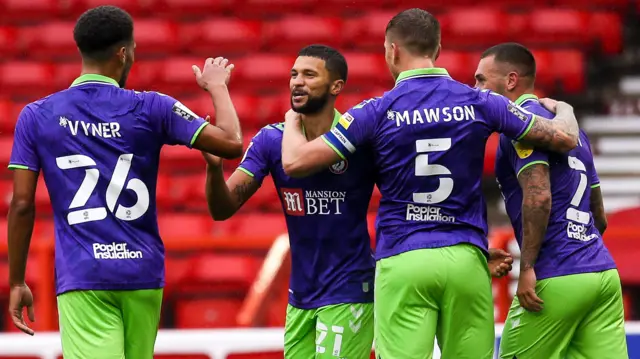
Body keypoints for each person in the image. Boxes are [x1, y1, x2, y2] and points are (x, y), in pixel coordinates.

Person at [279, 9, 581, 359]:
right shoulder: (480, 101)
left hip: (403, 260)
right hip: (466, 258)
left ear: (393, 50)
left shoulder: (374, 110)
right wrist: (563, 109)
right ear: (437, 49)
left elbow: (295, 163)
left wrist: (291, 119)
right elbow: (563, 137)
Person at [7, 5, 243, 359]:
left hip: (84, 274)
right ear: (123, 52)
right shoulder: (153, 107)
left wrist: (16, 280)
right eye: (132, 48)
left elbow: (23, 204)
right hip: (142, 271)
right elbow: (231, 142)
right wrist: (217, 86)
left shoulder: (37, 115)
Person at [202, 44, 377, 359]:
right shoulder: (271, 140)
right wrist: (214, 170)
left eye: (310, 75)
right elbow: (222, 209)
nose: (298, 82)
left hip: (350, 290)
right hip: (300, 298)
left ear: (336, 86)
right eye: (294, 74)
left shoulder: (359, 140)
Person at [476, 42, 628, 359]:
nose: (475, 89)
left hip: (555, 276)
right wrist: (580, 252)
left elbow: (539, 194)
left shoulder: (521, 129)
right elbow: (598, 214)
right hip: (600, 272)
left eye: (481, 80)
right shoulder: (572, 131)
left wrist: (528, 266)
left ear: (511, 81)